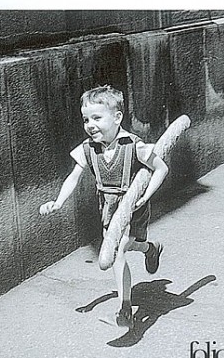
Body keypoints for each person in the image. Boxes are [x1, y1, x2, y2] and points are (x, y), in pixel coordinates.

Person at [40, 85, 168, 329]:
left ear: (117, 117)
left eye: (97, 118)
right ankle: (145, 259)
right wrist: (58, 201)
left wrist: (145, 195)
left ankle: (127, 305)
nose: (90, 124)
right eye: (86, 119)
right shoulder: (88, 149)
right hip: (108, 209)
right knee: (121, 250)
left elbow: (161, 168)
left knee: (120, 250)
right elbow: (74, 177)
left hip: (133, 207)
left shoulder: (134, 145)